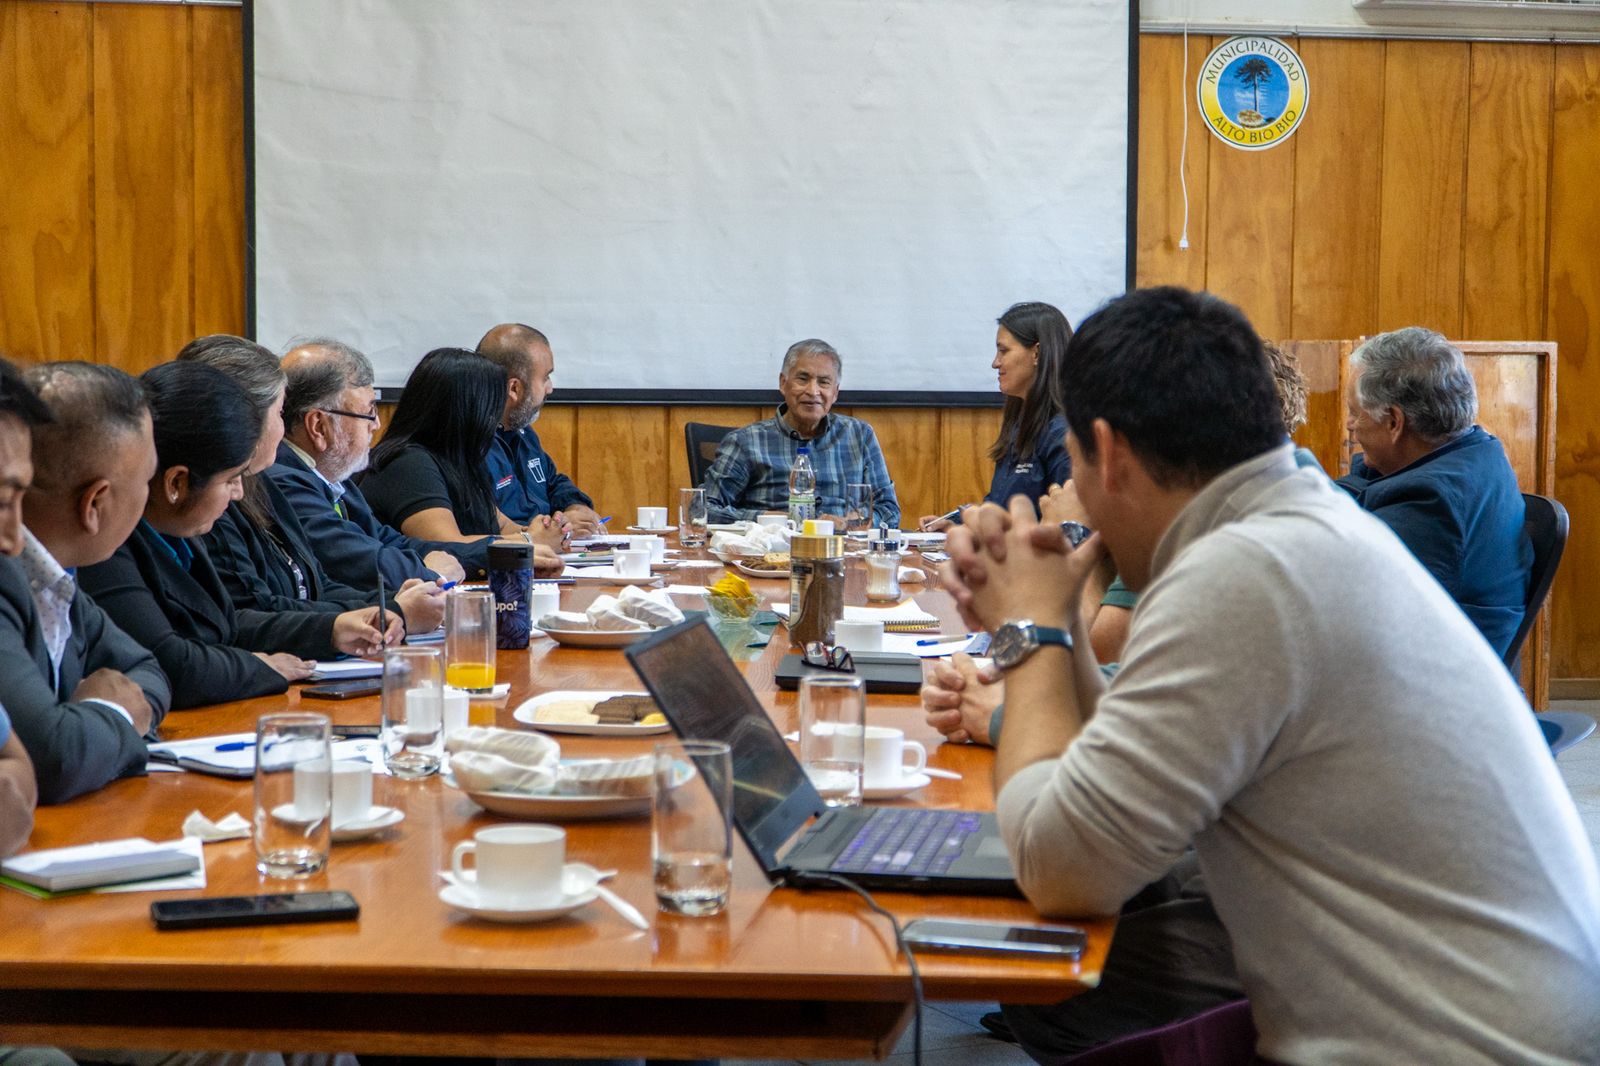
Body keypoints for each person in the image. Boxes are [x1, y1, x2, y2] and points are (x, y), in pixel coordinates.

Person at [941, 286, 1599, 1063]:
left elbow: (1061, 870)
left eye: (1076, 464)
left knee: (1046, 970)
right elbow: (1112, 757)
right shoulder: (1292, 524)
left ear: (1109, 454)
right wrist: (1052, 620)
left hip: (1460, 1044)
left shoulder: (1244, 574)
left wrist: (1032, 632)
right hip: (1510, 1005)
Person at [79, 362, 399, 710]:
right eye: (231, 480)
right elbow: (169, 662)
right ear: (176, 484)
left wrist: (331, 630)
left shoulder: (183, 532)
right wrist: (259, 667)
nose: (238, 495)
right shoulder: (108, 544)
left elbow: (229, 624)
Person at [181, 335, 443, 635]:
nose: (285, 430)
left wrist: (393, 605)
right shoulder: (233, 495)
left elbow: (317, 586)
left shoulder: (260, 484)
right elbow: (249, 612)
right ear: (242, 422)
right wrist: (391, 612)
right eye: (280, 414)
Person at [0, 363, 171, 804]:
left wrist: (87, 726)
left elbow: (148, 671)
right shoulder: (8, 574)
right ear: (95, 503)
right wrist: (111, 712)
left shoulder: (57, 578)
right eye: (147, 481)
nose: (13, 536)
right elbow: (51, 759)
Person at [1337, 326, 1531, 659]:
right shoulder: (1470, 449)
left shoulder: (1435, 499)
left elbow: (1351, 597)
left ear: (1395, 422)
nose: (1350, 426)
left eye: (1355, 412)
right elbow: (1360, 486)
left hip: (1441, 688)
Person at [267, 338, 490, 588]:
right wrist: (428, 571)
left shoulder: (333, 478)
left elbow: (390, 542)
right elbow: (357, 561)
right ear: (319, 426)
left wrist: (497, 552)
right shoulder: (282, 480)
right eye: (369, 412)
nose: (377, 425)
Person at [359, 348, 568, 564]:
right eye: (493, 409)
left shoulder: (463, 458)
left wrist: (548, 530)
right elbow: (448, 546)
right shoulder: (408, 463)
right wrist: (527, 540)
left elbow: (502, 524)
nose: (496, 422)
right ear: (469, 412)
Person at [700, 338, 899, 526]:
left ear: (835, 392)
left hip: (844, 551)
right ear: (783, 383)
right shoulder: (746, 442)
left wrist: (852, 523)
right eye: (803, 379)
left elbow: (889, 510)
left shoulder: (859, 435)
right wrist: (765, 520)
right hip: (770, 554)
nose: (813, 391)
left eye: (824, 382)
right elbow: (703, 510)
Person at [920, 302, 1073, 530]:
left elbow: (1071, 527)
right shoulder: (1018, 426)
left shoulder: (1064, 433)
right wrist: (956, 522)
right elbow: (1000, 506)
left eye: (1004, 351)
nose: (995, 363)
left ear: (1037, 353)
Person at [476, 323, 603, 536]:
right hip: (512, 558)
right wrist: (558, 528)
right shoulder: (472, 445)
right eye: (545, 377)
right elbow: (485, 526)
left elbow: (552, 482)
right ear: (514, 388)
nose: (550, 388)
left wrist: (575, 507)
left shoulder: (523, 433)